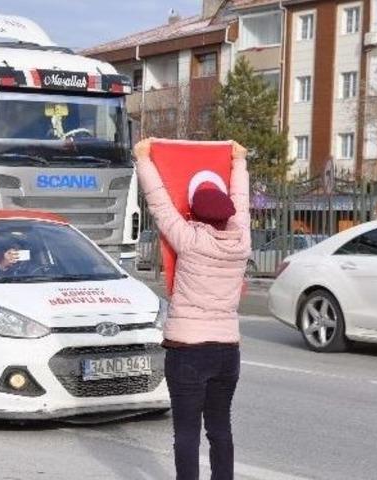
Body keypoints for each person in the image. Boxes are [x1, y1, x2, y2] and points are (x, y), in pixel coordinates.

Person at [134, 138, 251, 480]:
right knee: (220, 429)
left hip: (187, 352)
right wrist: (238, 163)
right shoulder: (242, 240)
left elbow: (159, 202)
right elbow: (241, 203)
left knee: (186, 434)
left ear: (195, 212)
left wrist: (144, 159)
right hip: (227, 351)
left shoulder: (188, 239)